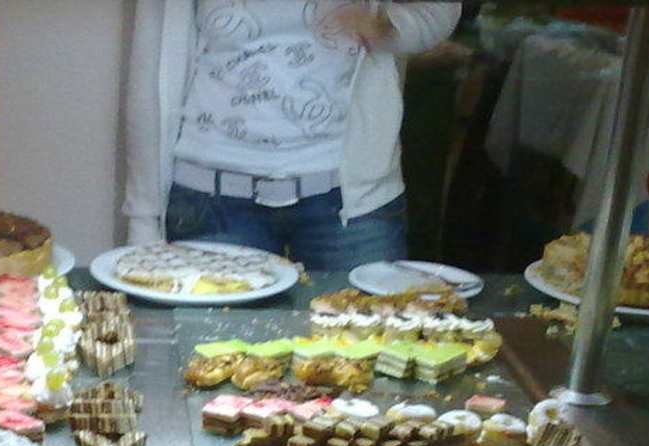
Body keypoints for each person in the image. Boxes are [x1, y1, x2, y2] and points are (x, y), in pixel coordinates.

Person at [123, 0, 461, 270]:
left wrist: (390, 26)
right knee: (213, 337)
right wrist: (143, 219)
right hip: (211, 200)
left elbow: (440, 10)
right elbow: (148, 75)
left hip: (351, 201)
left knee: (368, 334)